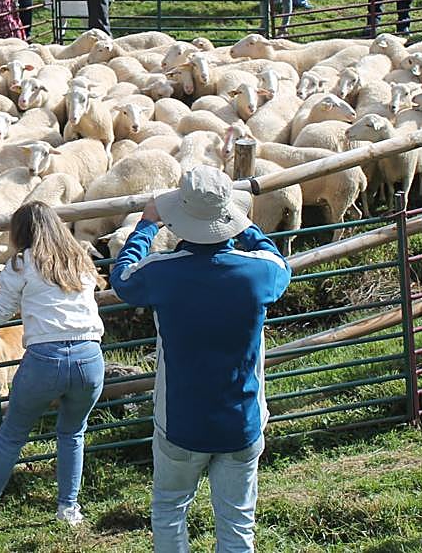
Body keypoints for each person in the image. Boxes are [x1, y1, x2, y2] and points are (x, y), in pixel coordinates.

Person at [109, 166, 291, 553]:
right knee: (238, 523)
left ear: (181, 215)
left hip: (181, 421)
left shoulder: (161, 273)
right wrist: (244, 226)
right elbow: (279, 261)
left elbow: (122, 276)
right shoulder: (259, 272)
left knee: (170, 509)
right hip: (241, 420)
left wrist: (146, 225)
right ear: (228, 215)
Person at [0, 202, 105, 530]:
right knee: (72, 432)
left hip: (45, 359)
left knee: (12, 434)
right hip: (90, 356)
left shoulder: (21, 263)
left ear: (20, 232)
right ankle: (68, 509)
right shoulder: (79, 259)